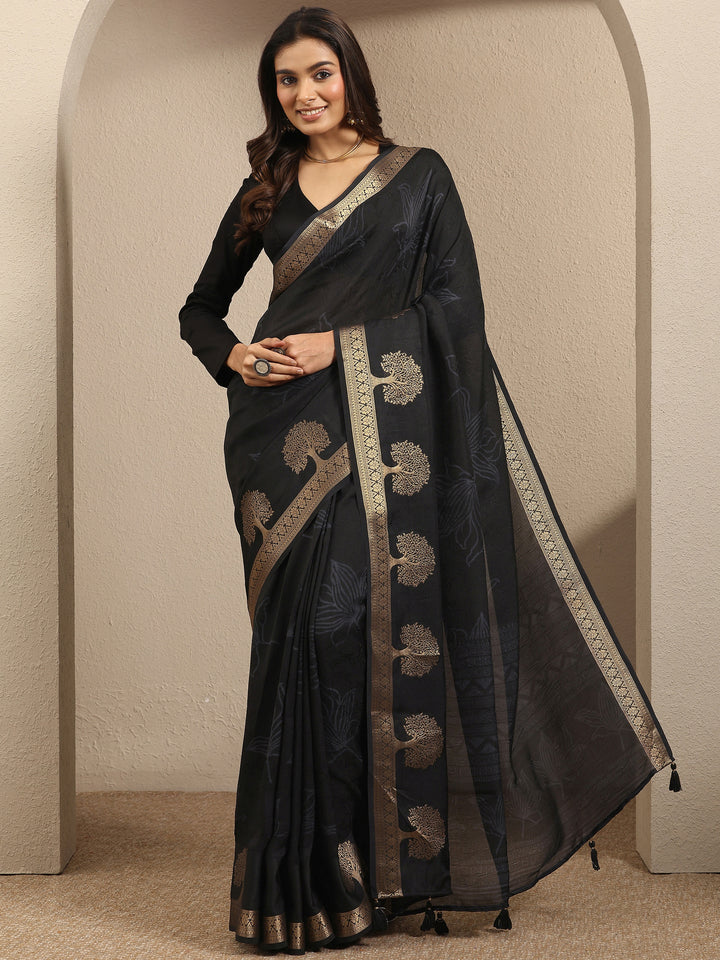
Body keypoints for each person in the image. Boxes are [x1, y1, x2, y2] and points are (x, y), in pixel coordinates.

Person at [179, 8, 678, 955]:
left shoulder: (420, 179)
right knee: (296, 647)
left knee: (350, 640)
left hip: (382, 445)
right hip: (280, 446)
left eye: (320, 73)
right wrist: (235, 356)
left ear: (350, 75)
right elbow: (200, 307)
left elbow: (458, 308)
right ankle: (296, 888)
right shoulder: (266, 186)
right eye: (286, 80)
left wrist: (338, 345)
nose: (305, 93)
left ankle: (365, 878)